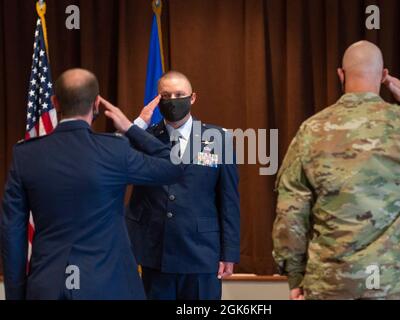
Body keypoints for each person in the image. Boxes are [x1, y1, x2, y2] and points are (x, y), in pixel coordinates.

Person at [272, 40, 400, 300]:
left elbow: (290, 213)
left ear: (340, 75)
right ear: (383, 76)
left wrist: (295, 277)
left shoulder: (311, 131)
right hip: (389, 282)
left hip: (330, 282)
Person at [1, 68, 183, 300]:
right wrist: (131, 128)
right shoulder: (115, 150)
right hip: (110, 286)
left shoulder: (26, 154)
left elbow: (12, 232)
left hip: (48, 286)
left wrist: (16, 295)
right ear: (97, 103)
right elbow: (173, 166)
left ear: (55, 102)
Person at [125, 70, 240, 300]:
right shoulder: (144, 138)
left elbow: (229, 199)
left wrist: (229, 252)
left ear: (193, 98)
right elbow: (114, 160)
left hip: (200, 252)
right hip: (155, 252)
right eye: (166, 95)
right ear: (157, 99)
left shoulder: (218, 139)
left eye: (180, 94)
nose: (173, 100)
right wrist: (138, 125)